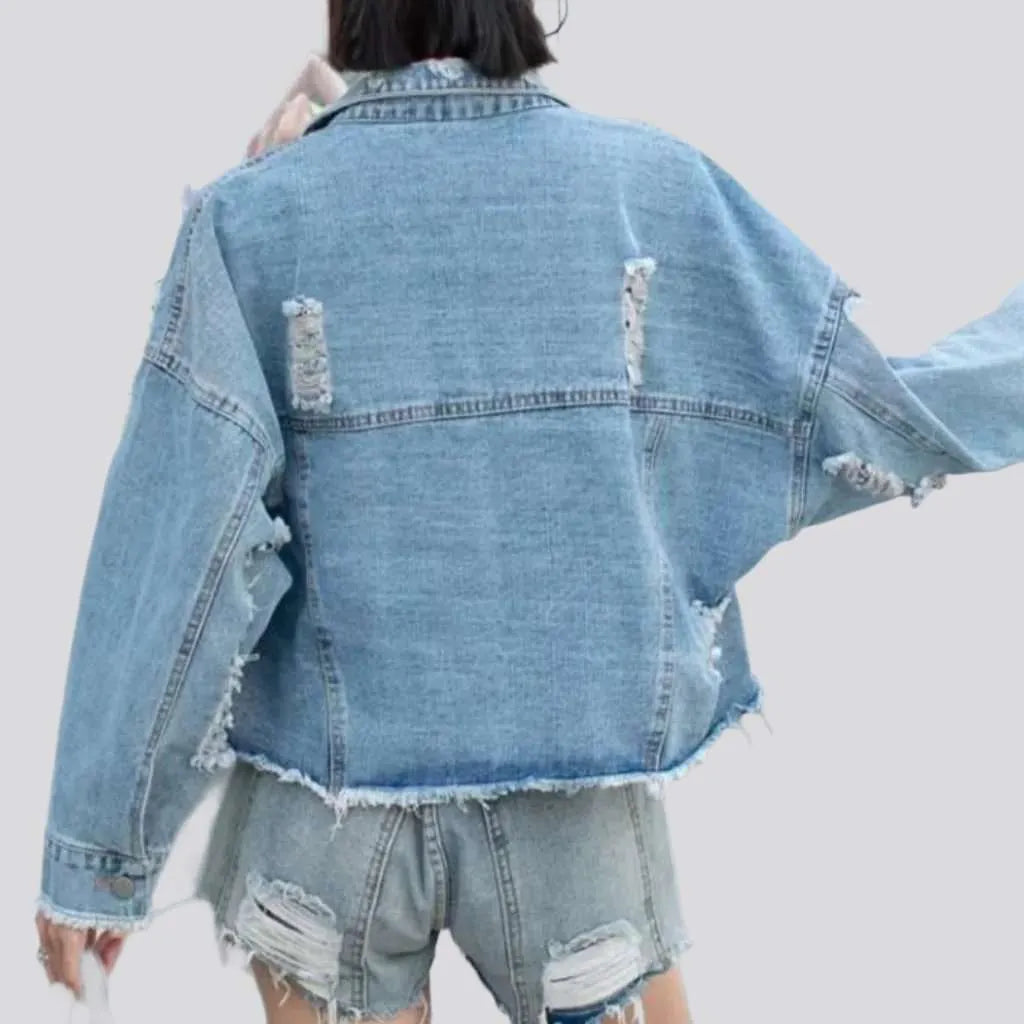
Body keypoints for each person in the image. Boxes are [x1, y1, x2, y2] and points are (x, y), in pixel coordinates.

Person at [34, 2, 1023, 1023]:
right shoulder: (650, 187)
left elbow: (177, 554)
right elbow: (859, 411)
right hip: (576, 822)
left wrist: (96, 863)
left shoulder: (251, 216)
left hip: (326, 820)